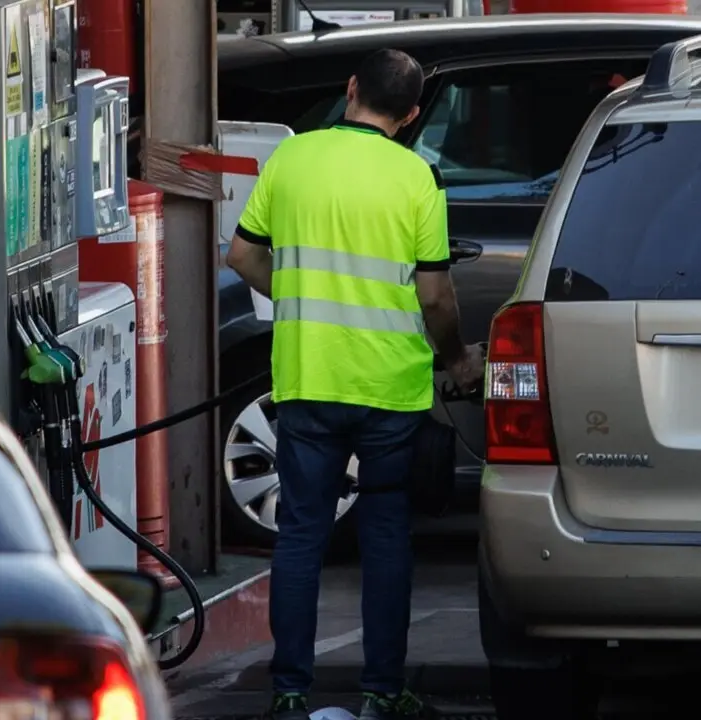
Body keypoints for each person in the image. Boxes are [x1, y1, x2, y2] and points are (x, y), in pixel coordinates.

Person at [224, 49, 485, 720]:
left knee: (302, 535)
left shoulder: (292, 158)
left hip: (308, 378)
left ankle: (288, 693)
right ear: (411, 114)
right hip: (388, 388)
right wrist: (456, 360)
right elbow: (435, 298)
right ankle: (381, 692)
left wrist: (296, 299)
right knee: (385, 536)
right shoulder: (415, 178)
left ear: (348, 89)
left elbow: (242, 254)